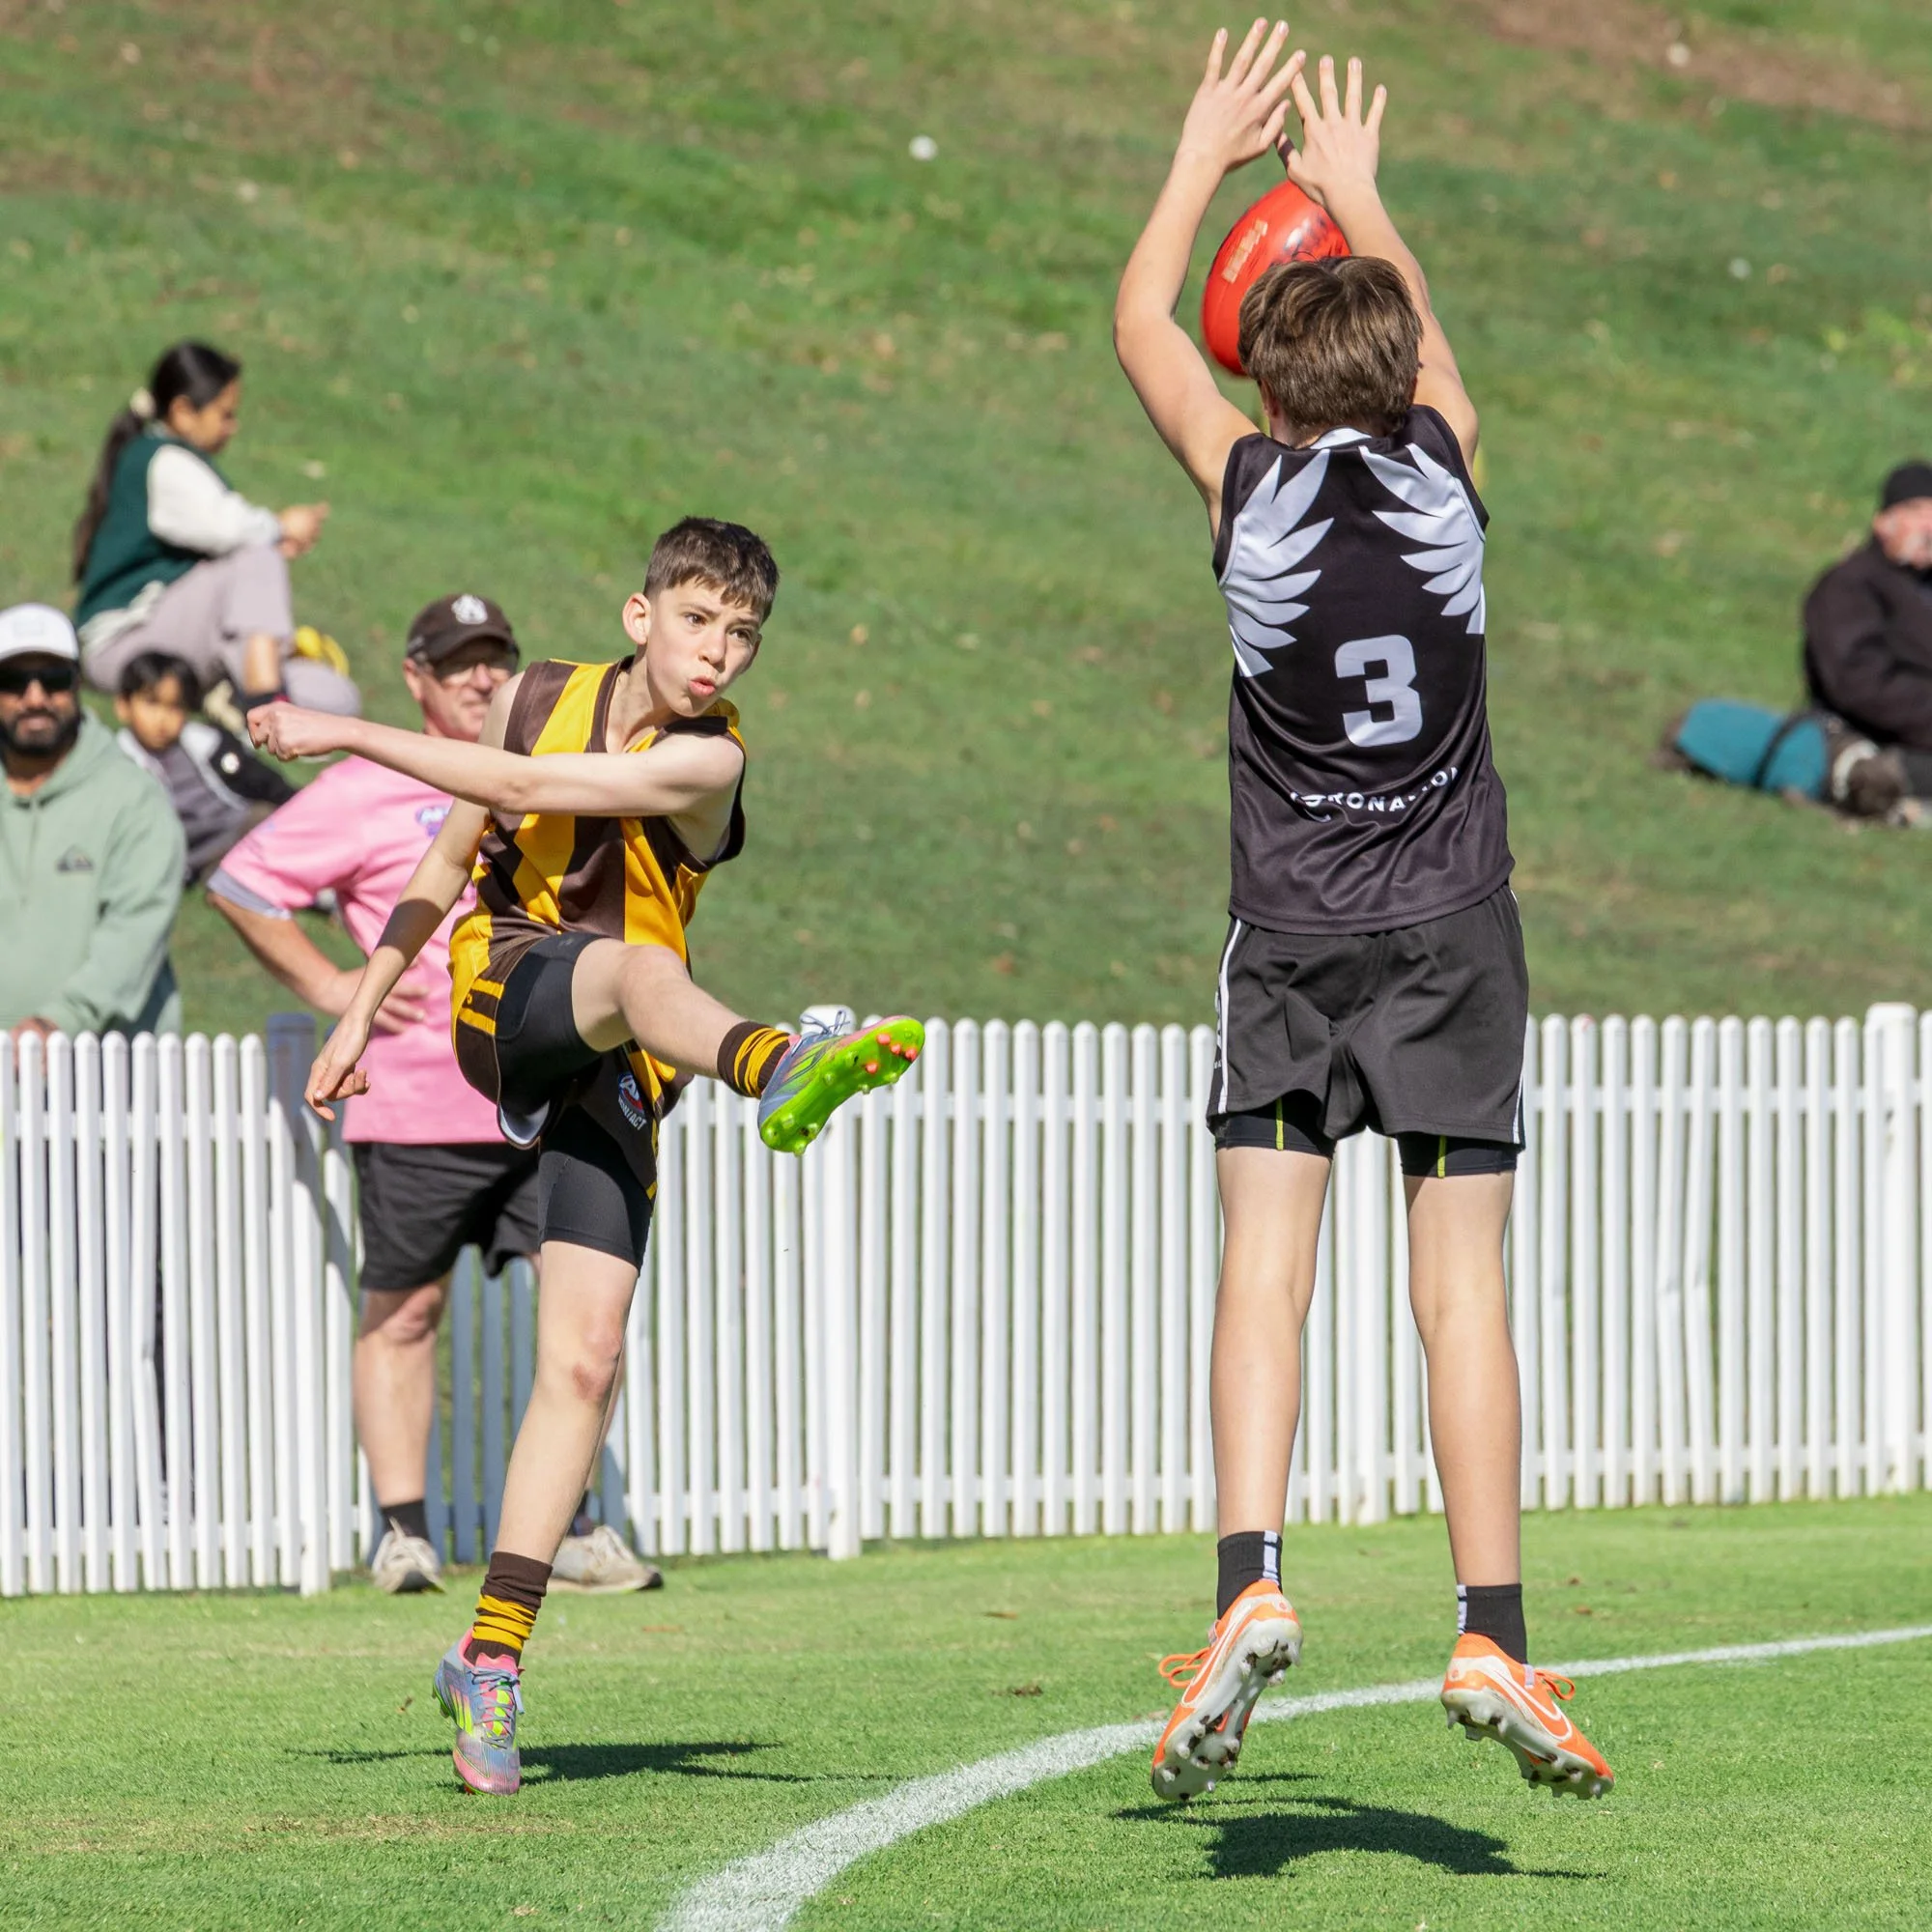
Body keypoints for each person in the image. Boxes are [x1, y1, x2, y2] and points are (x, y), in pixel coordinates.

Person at [1114, 25, 1610, 1801]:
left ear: (1263, 390)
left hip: (1293, 933)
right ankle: (1493, 1629)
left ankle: (1248, 1583)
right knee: (1459, 1287)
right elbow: (1434, 355)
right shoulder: (1450, 480)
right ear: (1403, 383)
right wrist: (1359, 191)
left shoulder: (1249, 502)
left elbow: (1140, 326)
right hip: (1455, 926)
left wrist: (1204, 151)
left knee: (1267, 1266)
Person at [249, 518, 924, 1796]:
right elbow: (452, 850)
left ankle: (489, 1658)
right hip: (506, 991)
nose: (717, 651)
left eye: (742, 634)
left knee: (585, 1358)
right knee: (629, 967)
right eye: (697, 620)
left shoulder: (710, 760)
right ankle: (776, 1063)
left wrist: (341, 728)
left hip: (627, 1053)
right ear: (640, 615)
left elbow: (525, 788)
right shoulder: (534, 695)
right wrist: (355, 1011)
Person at [211, 593, 660, 1596]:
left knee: (588, 1318)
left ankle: (572, 1528)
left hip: (554, 1093)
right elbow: (241, 882)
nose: (479, 676)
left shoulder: (551, 770)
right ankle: (404, 1533)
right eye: (456, 661)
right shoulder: (365, 786)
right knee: (405, 1310)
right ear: (414, 677)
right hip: (417, 1105)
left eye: (496, 656)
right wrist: (334, 988)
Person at [71, 340, 358, 718]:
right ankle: (263, 703)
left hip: (175, 635)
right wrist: (282, 526)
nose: (233, 426)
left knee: (337, 697)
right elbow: (232, 530)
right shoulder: (163, 459)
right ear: (183, 411)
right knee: (256, 556)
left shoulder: (168, 457)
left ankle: (243, 700)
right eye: (225, 414)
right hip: (124, 644)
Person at [0, 603, 185, 1042]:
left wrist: (60, 1021)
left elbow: (135, 932)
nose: (35, 698)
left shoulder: (134, 799)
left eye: (54, 679)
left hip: (106, 1067)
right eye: (13, 682)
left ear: (78, 683)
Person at [1803, 461, 1932, 786]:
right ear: (1883, 522)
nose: (1929, 526)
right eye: (1916, 512)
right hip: (1877, 747)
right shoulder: (1850, 585)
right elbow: (1857, 682)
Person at [115, 652, 295, 883]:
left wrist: (300, 803)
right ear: (123, 706)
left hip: (241, 828)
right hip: (191, 855)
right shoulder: (118, 767)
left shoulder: (210, 744)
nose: (162, 718)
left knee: (269, 819)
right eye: (152, 703)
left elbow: (265, 781)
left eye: (175, 707)